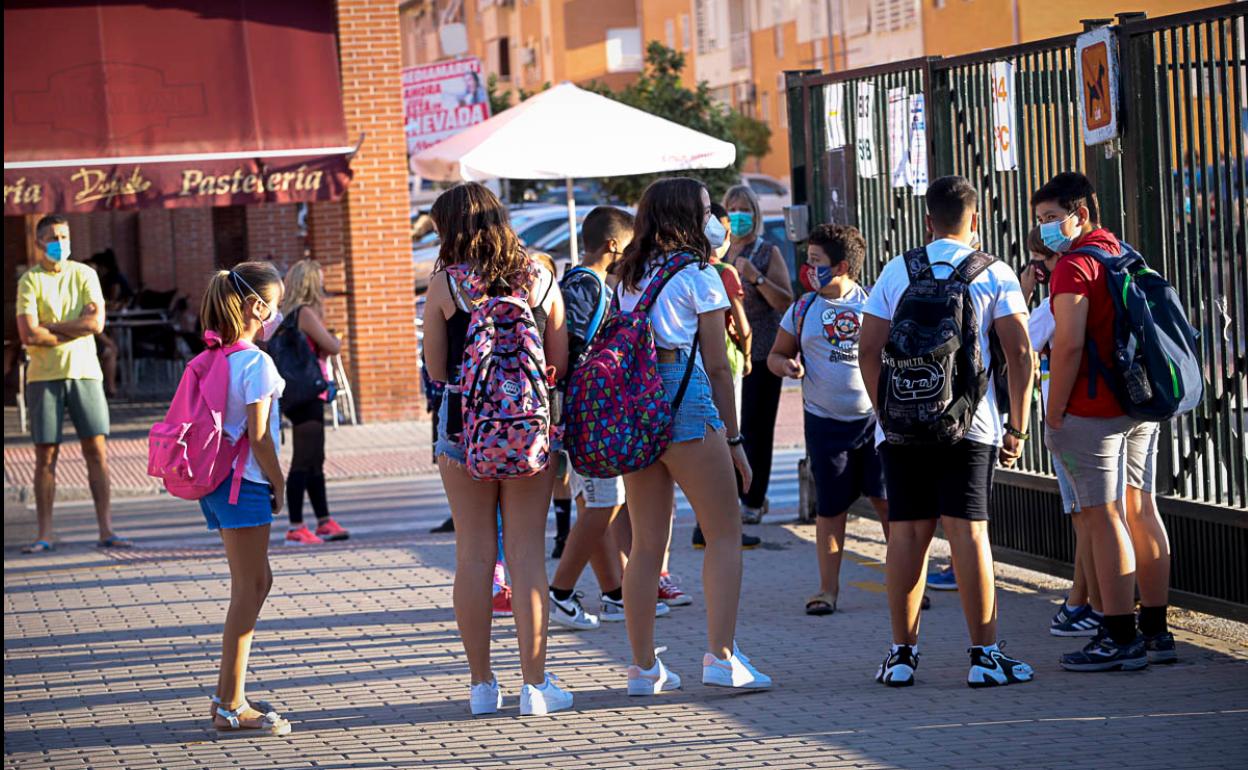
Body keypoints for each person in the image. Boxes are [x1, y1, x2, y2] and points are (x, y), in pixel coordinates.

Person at [860, 175, 1036, 688]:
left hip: (899, 429)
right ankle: (984, 657)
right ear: (974, 220)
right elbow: (1020, 352)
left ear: (928, 222)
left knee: (907, 534)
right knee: (969, 533)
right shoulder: (995, 271)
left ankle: (900, 656)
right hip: (970, 425)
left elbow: (868, 349)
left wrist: (887, 413)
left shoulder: (897, 269)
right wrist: (1018, 426)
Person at [614, 177, 772, 695]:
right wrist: (735, 439)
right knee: (724, 533)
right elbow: (718, 366)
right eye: (706, 210)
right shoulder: (700, 274)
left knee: (646, 545)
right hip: (684, 399)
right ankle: (722, 657)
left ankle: (643, 669)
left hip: (636, 405)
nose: (715, 220)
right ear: (686, 216)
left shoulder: (629, 273)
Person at [421, 182, 574, 716]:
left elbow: (436, 370)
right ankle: (536, 686)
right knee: (527, 555)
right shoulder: (540, 276)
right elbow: (559, 362)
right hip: (529, 430)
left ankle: (482, 687)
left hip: (463, 428)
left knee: (474, 555)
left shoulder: (446, 283)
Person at [1033, 172, 1170, 671]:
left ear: (1081, 214)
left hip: (1092, 410)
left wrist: (1054, 412)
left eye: (1053, 218)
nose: (1046, 228)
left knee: (1104, 516)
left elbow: (1067, 344)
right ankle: (1156, 630)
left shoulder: (1074, 266)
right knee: (1141, 510)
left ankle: (1118, 636)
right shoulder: (1121, 252)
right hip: (1139, 402)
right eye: (1040, 220)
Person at [548, 206, 674, 629]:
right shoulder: (587, 285)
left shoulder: (584, 283)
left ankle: (615, 594)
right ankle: (560, 591)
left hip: (583, 413)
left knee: (597, 504)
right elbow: (569, 348)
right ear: (613, 245)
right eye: (631, 244)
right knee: (606, 502)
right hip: (588, 415)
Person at [767, 224, 888, 616]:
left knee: (889, 505)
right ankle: (827, 590)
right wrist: (785, 366)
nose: (808, 268)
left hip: (874, 424)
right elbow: (775, 355)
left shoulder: (874, 304)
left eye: (816, 261)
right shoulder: (803, 309)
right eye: (808, 260)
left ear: (841, 267)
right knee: (831, 511)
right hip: (825, 425)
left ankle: (908, 584)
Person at [197, 262, 292, 735]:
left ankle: (226, 695)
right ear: (256, 306)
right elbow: (259, 437)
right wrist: (280, 481)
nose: (278, 313)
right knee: (249, 589)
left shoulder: (219, 356)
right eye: (275, 304)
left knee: (257, 582)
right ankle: (232, 704)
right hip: (245, 483)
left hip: (218, 484)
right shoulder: (256, 363)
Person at [15, 216, 129, 554]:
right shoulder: (30, 281)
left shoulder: (85, 274)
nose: (60, 243)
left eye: (64, 236)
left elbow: (95, 324)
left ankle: (106, 529)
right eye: (52, 237)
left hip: (85, 372)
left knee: (97, 451)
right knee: (45, 455)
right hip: (43, 376)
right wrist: (73, 327)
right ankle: (44, 533)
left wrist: (51, 326)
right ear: (39, 242)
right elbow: (28, 333)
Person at [1020, 227, 1105, 639]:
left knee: (1085, 516)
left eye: (1041, 261)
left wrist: (1022, 291)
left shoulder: (1057, 301)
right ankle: (1085, 600)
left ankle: (1093, 605)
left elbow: (1018, 342)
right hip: (1106, 410)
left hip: (1071, 415)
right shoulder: (1098, 282)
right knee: (1098, 514)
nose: (1038, 269)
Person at [691, 203, 761, 551]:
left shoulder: (681, 270)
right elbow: (742, 325)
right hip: (726, 358)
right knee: (729, 437)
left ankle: (702, 522)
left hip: (691, 364)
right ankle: (722, 521)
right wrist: (747, 356)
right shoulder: (723, 273)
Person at [724, 184, 792, 525]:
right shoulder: (718, 254)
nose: (738, 216)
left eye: (744, 209)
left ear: (755, 214)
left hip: (763, 353)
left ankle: (753, 500)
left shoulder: (767, 252)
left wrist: (757, 277)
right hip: (725, 354)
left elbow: (785, 300)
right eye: (732, 209)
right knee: (728, 429)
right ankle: (732, 496)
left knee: (757, 429)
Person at [278, 259, 350, 545]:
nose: (323, 285)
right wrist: (333, 337)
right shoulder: (305, 313)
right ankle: (296, 526)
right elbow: (332, 346)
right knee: (303, 459)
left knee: (315, 459)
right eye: (319, 280)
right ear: (310, 283)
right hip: (306, 393)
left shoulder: (290, 314)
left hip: (302, 393)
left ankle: (323, 520)